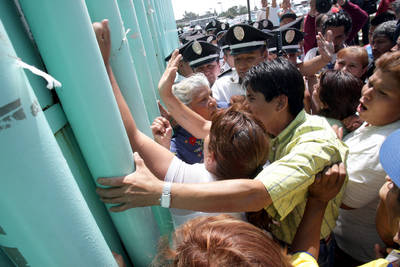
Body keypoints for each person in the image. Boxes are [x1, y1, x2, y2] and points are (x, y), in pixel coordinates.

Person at [97, 53, 348, 266]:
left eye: (251, 98)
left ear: (280, 102)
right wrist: (168, 97)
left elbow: (256, 194)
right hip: (281, 250)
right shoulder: (262, 141)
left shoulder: (314, 143)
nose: (246, 106)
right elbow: (208, 130)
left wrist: (158, 192)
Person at [93, 20, 270, 228]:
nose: (205, 129)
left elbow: (133, 136)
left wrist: (104, 66)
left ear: (211, 155)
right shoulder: (257, 175)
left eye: (209, 135)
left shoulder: (196, 179)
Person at [333, 51, 400, 264]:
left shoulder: (385, 146)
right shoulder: (374, 121)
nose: (367, 93)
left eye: (383, 93)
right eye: (370, 83)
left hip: (357, 255)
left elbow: (338, 197)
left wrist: (331, 148)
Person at [151, 73, 217, 164]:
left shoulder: (226, 117)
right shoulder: (177, 147)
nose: (213, 102)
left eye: (211, 95)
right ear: (185, 110)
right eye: (203, 100)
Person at [311, 70, 363, 136]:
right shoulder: (351, 120)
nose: (313, 86)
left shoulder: (321, 126)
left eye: (317, 88)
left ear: (325, 104)